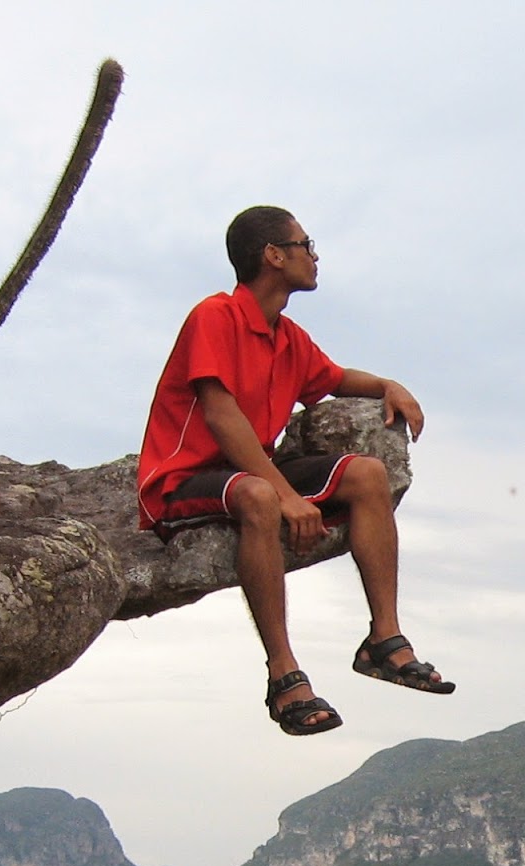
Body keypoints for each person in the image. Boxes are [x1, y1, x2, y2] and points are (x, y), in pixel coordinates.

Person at [137, 206, 453, 735]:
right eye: (306, 244)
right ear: (274, 255)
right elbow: (221, 415)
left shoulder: (286, 335)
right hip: (181, 479)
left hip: (248, 471)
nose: (314, 255)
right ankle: (284, 674)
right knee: (259, 495)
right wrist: (287, 495)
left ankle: (384, 640)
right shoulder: (215, 316)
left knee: (368, 476)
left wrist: (385, 385)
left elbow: (333, 377)